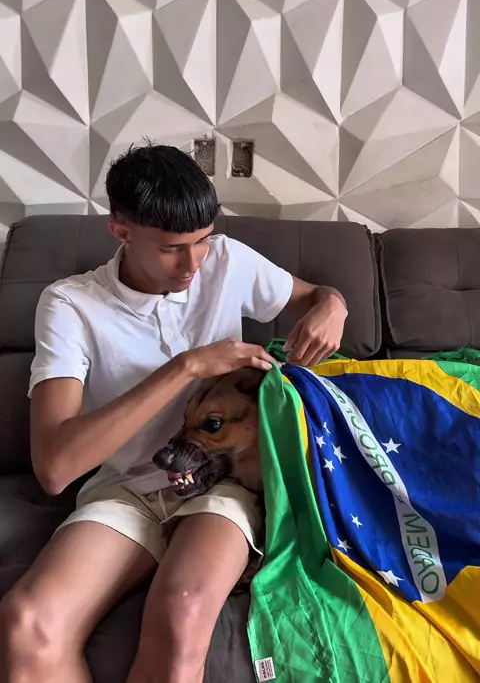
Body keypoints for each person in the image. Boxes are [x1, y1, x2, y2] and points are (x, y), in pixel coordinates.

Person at [0, 142, 348, 683]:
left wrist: (334, 304)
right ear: (121, 231)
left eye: (202, 241)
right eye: (171, 249)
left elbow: (317, 296)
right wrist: (186, 367)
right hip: (128, 490)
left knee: (182, 612)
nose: (193, 265)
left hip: (223, 482)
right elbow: (54, 468)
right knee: (29, 623)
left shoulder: (228, 260)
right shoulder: (70, 305)